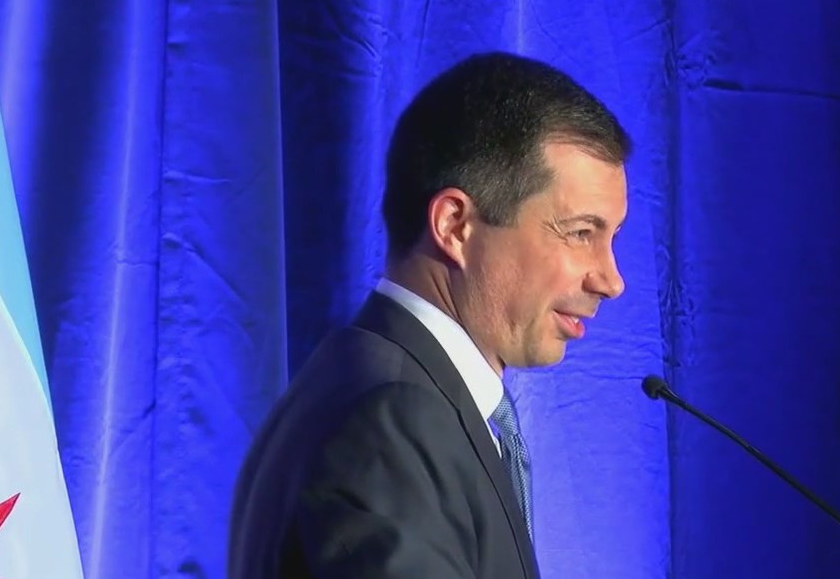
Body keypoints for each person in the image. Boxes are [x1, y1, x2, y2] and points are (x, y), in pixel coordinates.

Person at [228, 50, 631, 579]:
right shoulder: (390, 420)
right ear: (455, 225)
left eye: (612, 238)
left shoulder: (377, 383)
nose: (611, 280)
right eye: (581, 233)